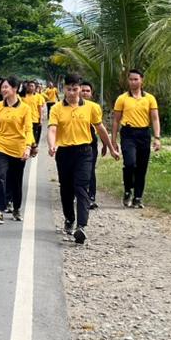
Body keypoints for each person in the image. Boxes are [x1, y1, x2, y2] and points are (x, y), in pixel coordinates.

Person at [47, 75, 118, 244]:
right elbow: (52, 129)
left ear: (80, 89)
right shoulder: (56, 108)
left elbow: (100, 129)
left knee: (81, 187)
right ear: (64, 89)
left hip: (84, 152)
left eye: (75, 89)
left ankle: (81, 226)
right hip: (64, 153)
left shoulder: (92, 107)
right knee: (66, 189)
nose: (72, 93)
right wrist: (51, 145)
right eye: (69, 89)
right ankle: (69, 218)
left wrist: (110, 147)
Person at [0, 76, 34, 224]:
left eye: (6, 87)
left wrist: (28, 147)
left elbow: (28, 129)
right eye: (2, 87)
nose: (3, 90)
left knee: (16, 181)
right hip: (0, 146)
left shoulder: (25, 108)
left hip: (18, 148)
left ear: (15, 89)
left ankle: (16, 208)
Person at [111, 69, 162, 209]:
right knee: (130, 163)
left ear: (141, 80)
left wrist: (157, 137)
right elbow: (116, 120)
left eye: (136, 79)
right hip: (128, 133)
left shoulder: (149, 98)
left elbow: (155, 119)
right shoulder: (122, 98)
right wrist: (113, 140)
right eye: (131, 79)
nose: (133, 82)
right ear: (128, 81)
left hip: (144, 133)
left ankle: (138, 197)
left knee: (141, 167)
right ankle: (128, 190)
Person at [22, 81, 46, 148]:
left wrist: (40, 119)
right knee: (27, 135)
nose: (30, 87)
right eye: (29, 86)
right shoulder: (23, 97)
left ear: (35, 87)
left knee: (34, 136)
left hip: (35, 119)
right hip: (25, 120)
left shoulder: (38, 97)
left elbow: (40, 109)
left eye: (32, 86)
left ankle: (33, 148)